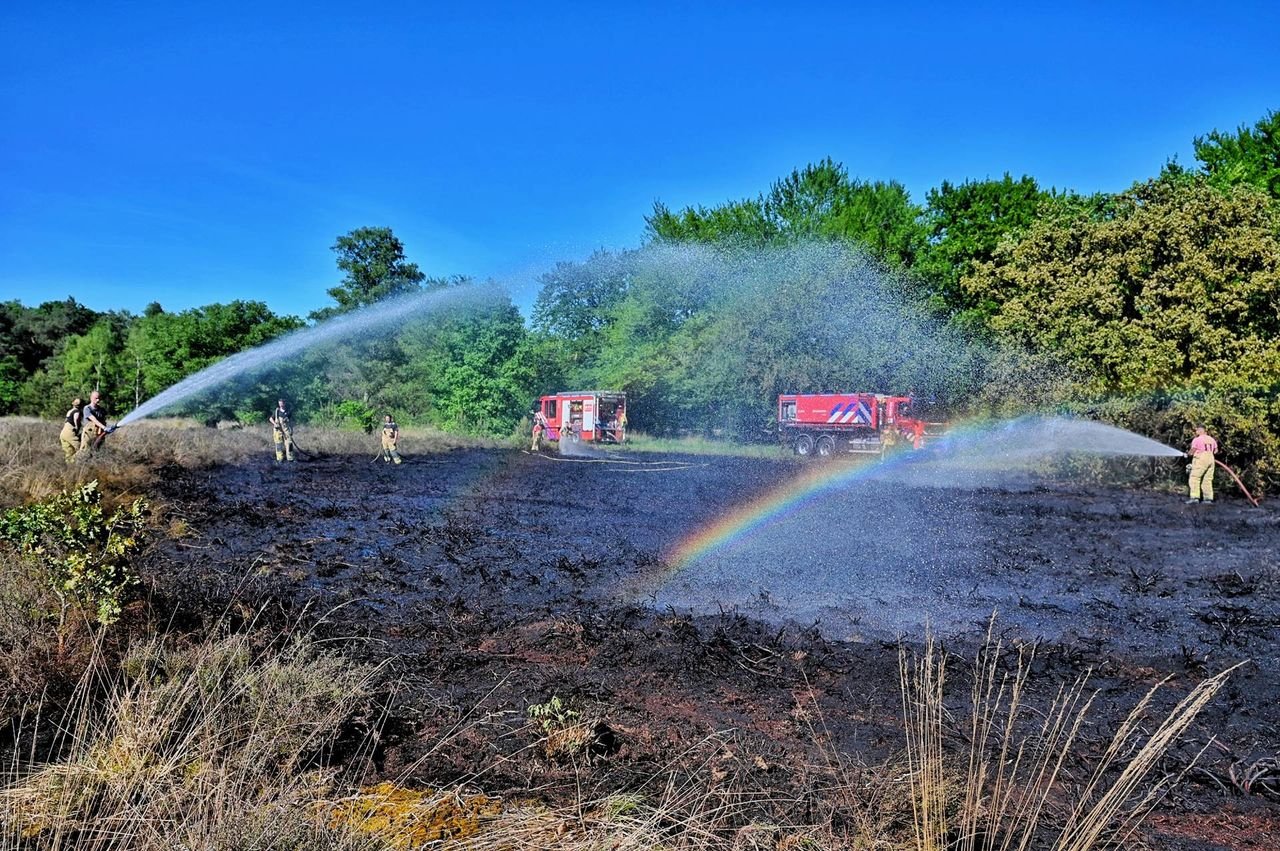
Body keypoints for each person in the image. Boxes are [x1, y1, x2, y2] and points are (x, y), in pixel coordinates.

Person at [1186, 425, 1219, 504]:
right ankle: (1208, 499)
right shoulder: (1211, 439)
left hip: (1201, 458)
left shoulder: (1197, 439)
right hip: (1211, 458)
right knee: (1207, 480)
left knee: (1194, 478)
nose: (1195, 432)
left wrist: (1188, 454)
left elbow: (1193, 449)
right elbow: (1216, 451)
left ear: (1200, 431)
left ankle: (1194, 498)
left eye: (1196, 430)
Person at [78, 390, 110, 457]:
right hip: (88, 434)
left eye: (99, 398)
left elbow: (103, 421)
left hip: (99, 434)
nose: (98, 400)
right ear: (91, 398)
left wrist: (107, 429)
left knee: (98, 451)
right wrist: (104, 428)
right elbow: (94, 420)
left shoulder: (101, 410)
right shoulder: (87, 408)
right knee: (84, 451)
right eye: (96, 398)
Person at [60, 397, 83, 463]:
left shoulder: (69, 411)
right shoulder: (77, 412)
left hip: (63, 433)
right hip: (70, 432)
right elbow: (76, 420)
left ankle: (69, 467)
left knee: (69, 452)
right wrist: (76, 428)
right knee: (82, 449)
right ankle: (73, 462)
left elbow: (65, 421)